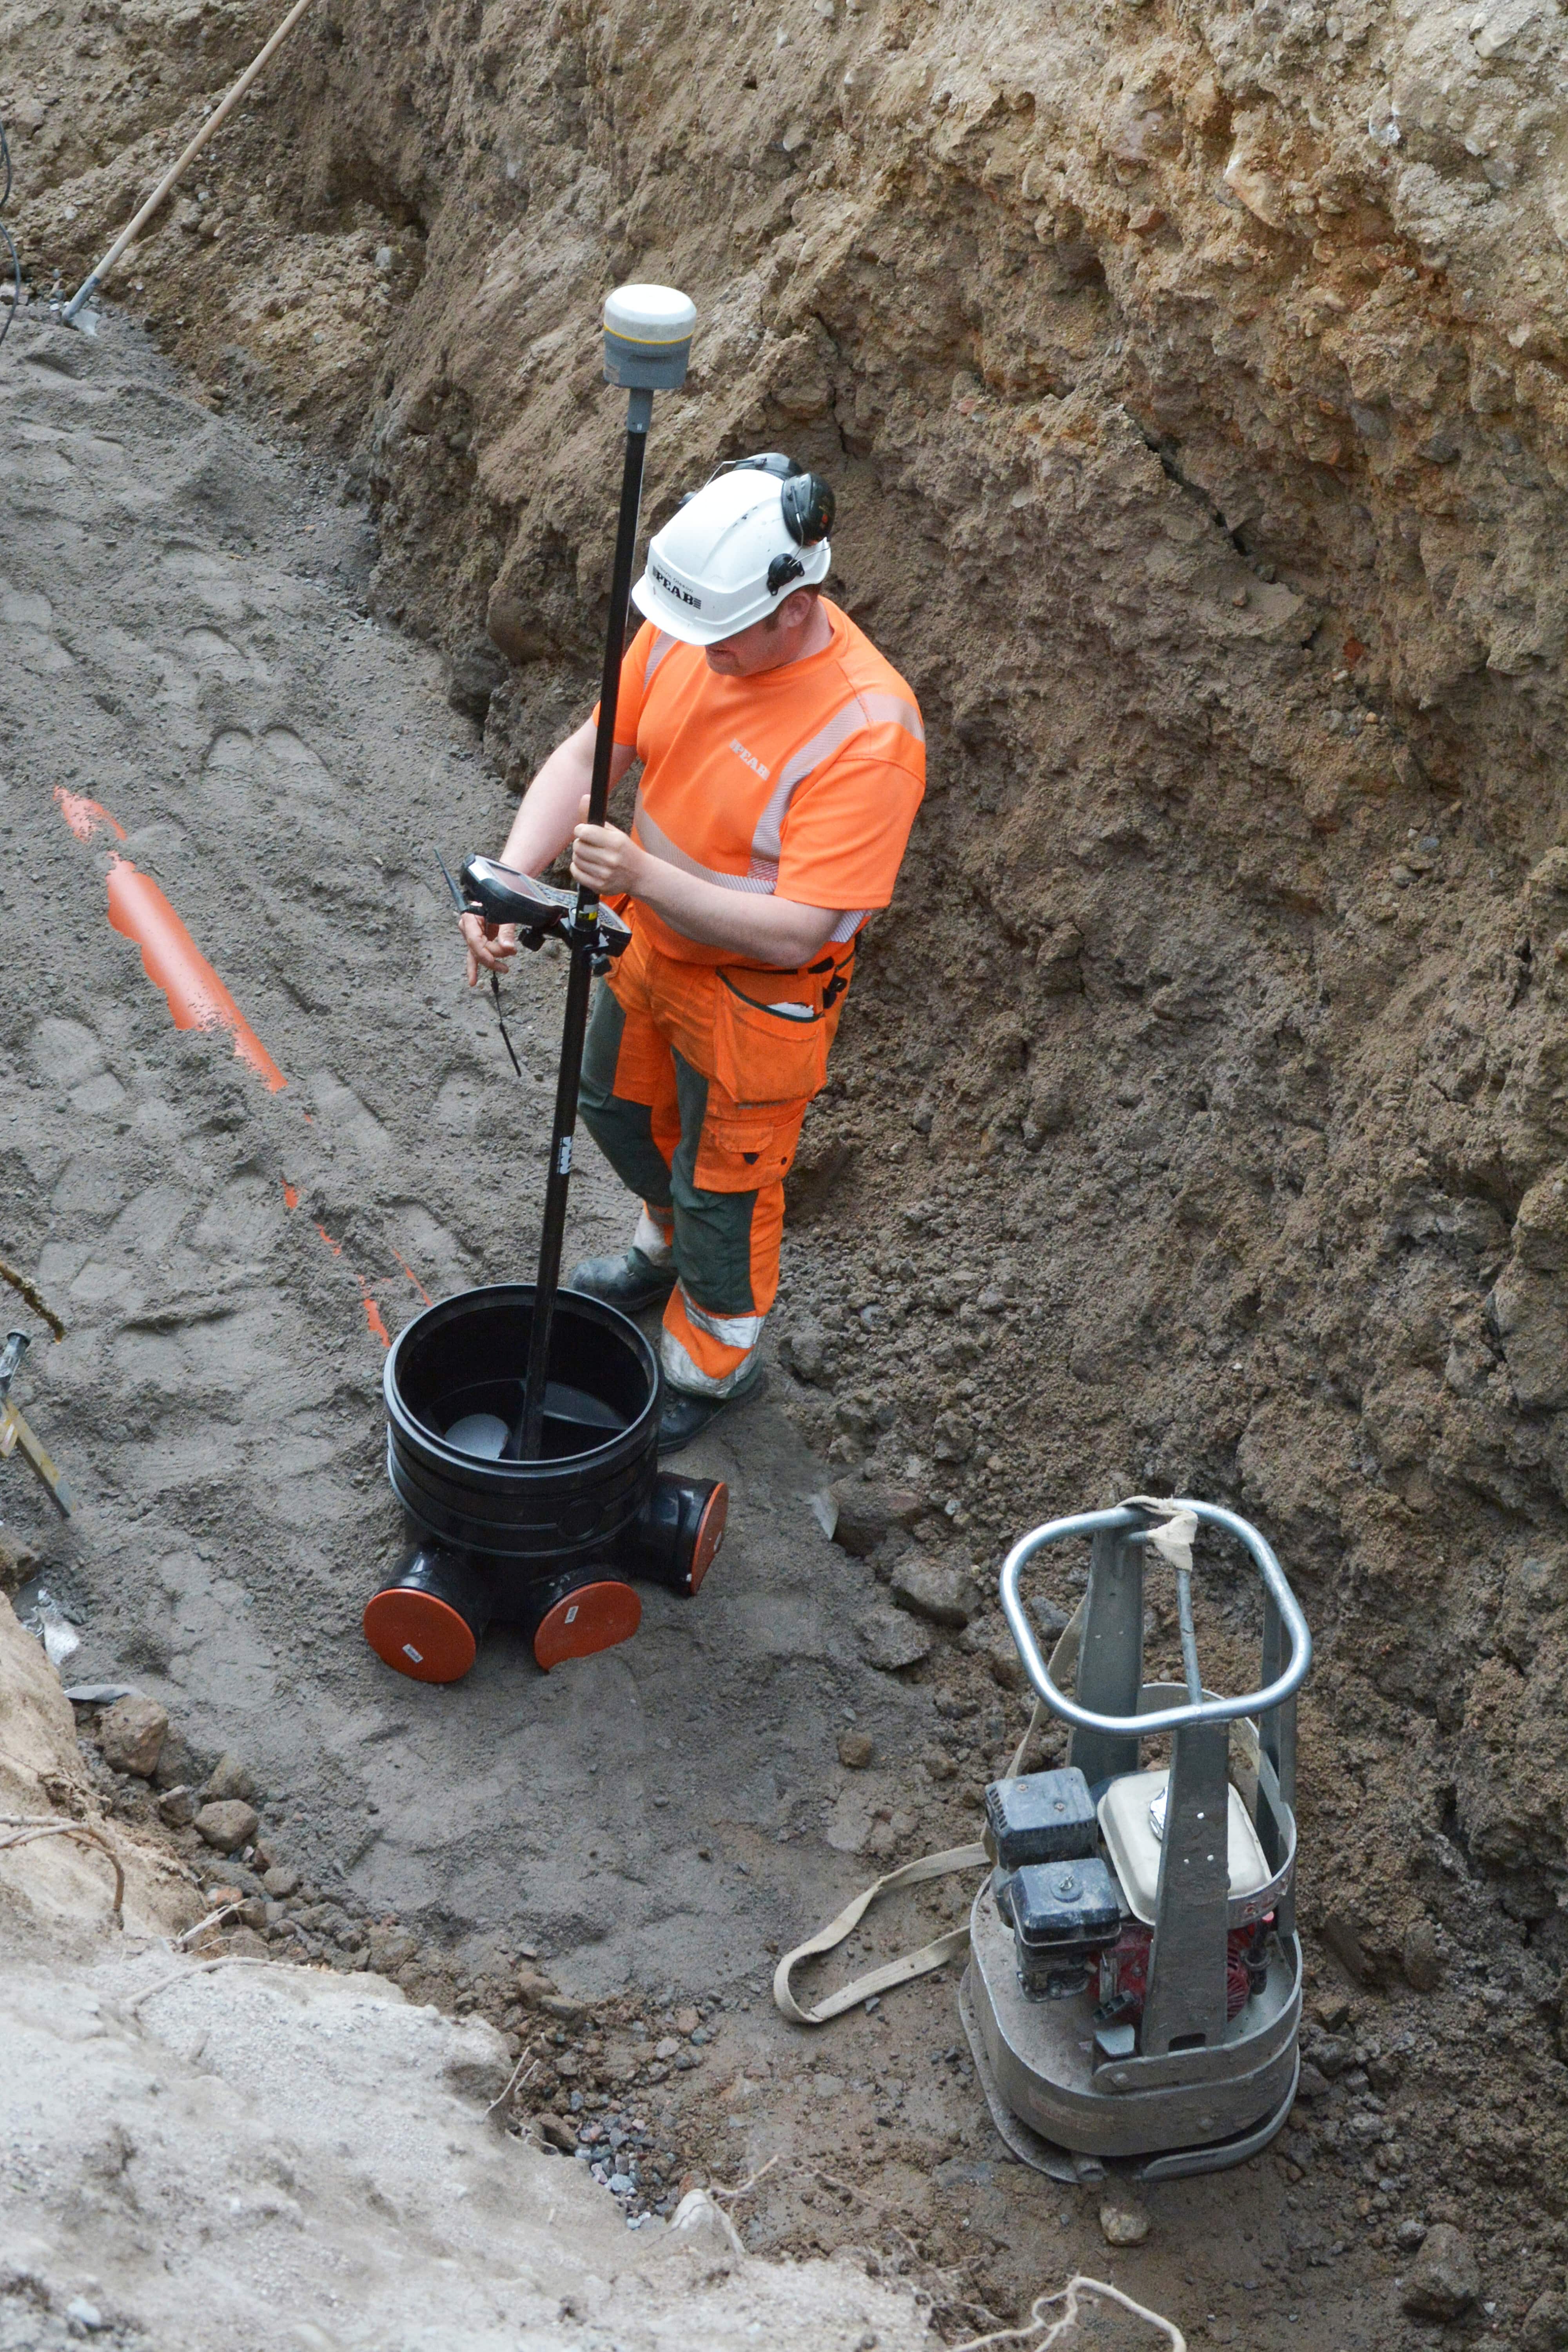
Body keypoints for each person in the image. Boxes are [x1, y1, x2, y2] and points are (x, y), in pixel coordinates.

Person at [459, 454, 925, 1449]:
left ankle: (710, 1366)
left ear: (794, 603)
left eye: (723, 640)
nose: (695, 654)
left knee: (724, 1189)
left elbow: (804, 926)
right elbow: (593, 752)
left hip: (757, 1002)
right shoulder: (690, 630)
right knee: (617, 1111)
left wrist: (640, 872)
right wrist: (514, 874)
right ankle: (663, 1245)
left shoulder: (868, 730)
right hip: (650, 954)